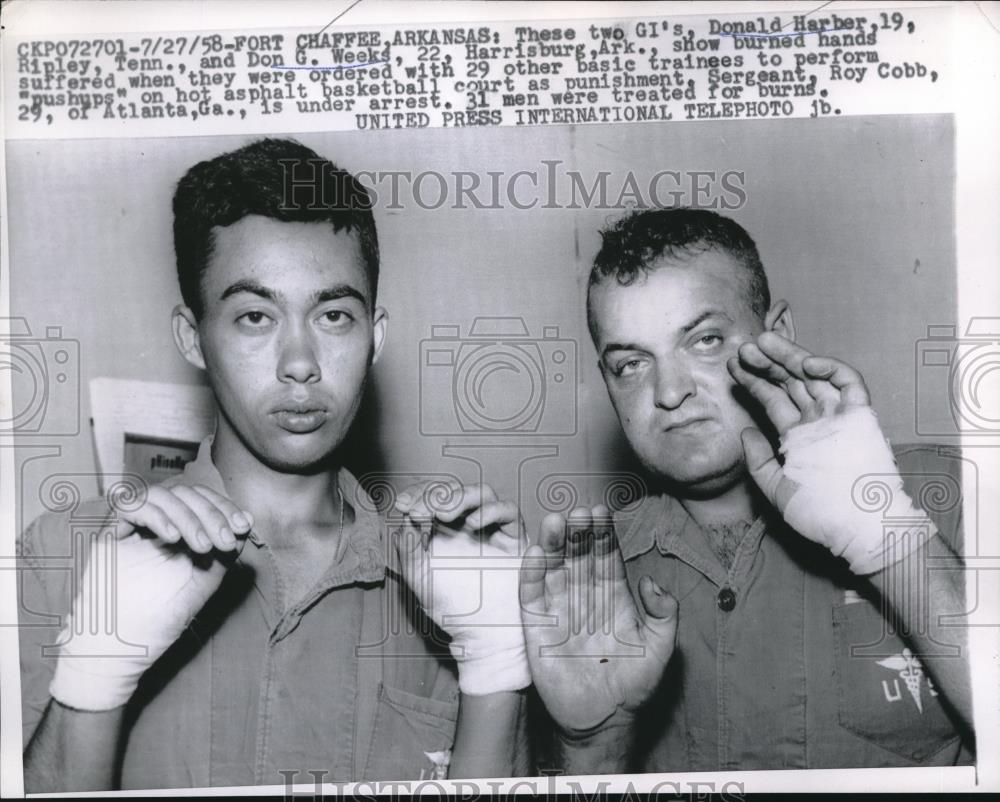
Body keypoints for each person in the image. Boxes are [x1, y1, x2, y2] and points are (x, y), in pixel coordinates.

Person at [18, 138, 529, 792]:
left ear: (375, 336)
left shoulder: (450, 575)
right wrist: (92, 675)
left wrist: (497, 658)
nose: (299, 361)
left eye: (334, 315)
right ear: (192, 338)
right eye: (255, 316)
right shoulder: (60, 556)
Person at [518, 208, 974, 772]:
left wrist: (891, 542)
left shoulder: (947, 499)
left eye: (704, 340)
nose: (668, 392)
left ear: (776, 335)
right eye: (632, 364)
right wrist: (590, 742)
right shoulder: (588, 579)